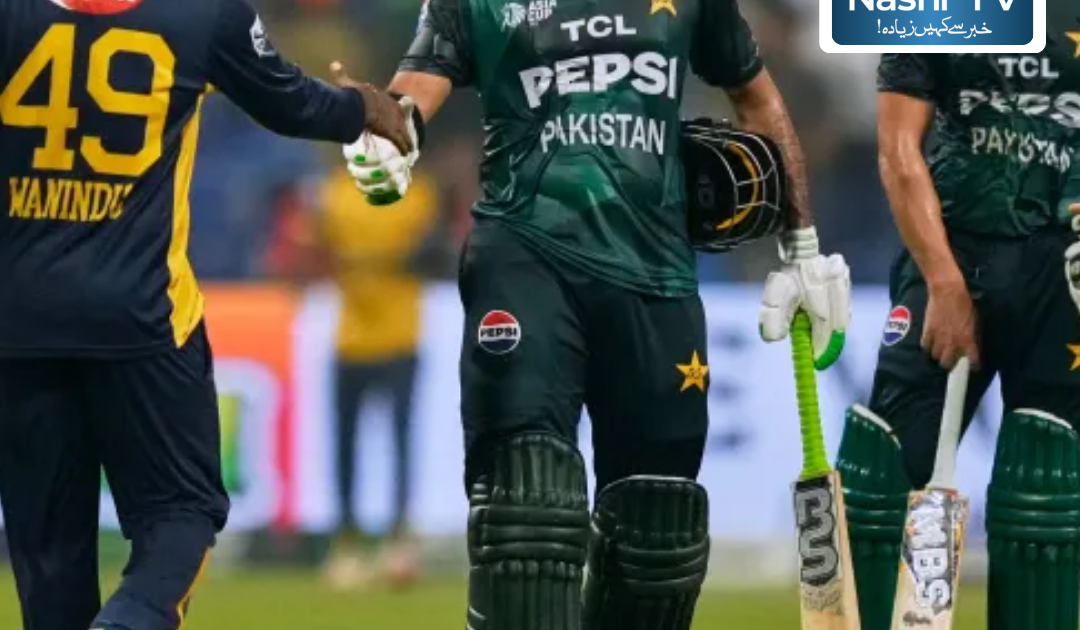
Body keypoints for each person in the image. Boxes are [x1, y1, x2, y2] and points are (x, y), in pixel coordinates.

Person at [336, 0, 851, 628]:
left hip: (657, 271)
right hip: (526, 257)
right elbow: (413, 92)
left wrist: (802, 245)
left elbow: (757, 96)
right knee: (527, 503)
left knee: (657, 532)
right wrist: (388, 136)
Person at [0, 0, 412, 628]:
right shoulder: (200, 13)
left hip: (18, 324)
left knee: (50, 550)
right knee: (183, 515)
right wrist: (365, 108)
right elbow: (291, 103)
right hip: (145, 319)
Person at [834, 26, 1080, 630]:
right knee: (881, 478)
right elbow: (898, 152)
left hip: (1064, 272)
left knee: (1045, 492)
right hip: (950, 254)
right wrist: (944, 285)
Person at [275, 168, 438, 589]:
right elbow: (307, 251)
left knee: (392, 440)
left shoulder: (391, 194)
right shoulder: (350, 193)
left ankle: (395, 540)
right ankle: (350, 542)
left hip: (398, 335)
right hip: (355, 338)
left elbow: (433, 253)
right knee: (354, 442)